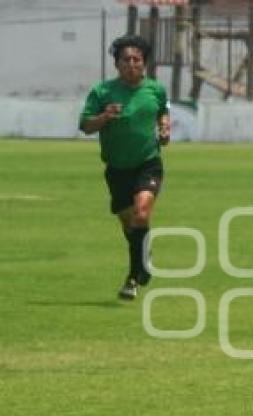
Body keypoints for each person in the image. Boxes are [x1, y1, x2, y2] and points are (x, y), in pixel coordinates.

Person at [79, 34, 170, 300]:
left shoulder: (155, 89)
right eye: (126, 60)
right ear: (117, 64)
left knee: (141, 214)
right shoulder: (102, 92)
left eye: (137, 60)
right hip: (117, 168)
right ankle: (143, 253)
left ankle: (133, 277)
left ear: (144, 64)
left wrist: (165, 127)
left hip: (148, 163)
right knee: (131, 226)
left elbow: (162, 109)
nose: (132, 64)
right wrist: (104, 117)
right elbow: (85, 126)